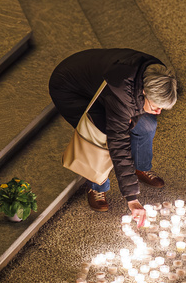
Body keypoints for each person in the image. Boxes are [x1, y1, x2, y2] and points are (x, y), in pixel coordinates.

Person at [48, 48, 178, 217]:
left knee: (148, 124)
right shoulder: (122, 94)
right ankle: (97, 184)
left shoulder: (158, 75)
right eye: (156, 106)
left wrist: (134, 119)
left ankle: (141, 168)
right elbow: (119, 144)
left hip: (103, 87)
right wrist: (132, 198)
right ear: (144, 92)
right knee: (101, 136)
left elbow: (133, 110)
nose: (159, 111)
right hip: (71, 89)